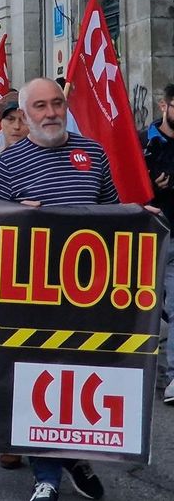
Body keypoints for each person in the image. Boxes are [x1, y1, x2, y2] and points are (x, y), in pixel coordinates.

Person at [0, 78, 114, 501]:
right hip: (31, 296)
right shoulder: (7, 164)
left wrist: (141, 216)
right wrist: (14, 217)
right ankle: (47, 475)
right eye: (40, 106)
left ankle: (75, 456)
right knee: (39, 382)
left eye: (57, 103)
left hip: (88, 294)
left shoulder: (93, 153)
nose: (51, 112)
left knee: (79, 381)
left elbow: (115, 215)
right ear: (23, 115)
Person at [141, 83, 174, 405]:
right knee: (149, 308)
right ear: (164, 106)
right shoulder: (142, 142)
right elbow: (125, 186)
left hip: (173, 238)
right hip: (147, 239)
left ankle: (171, 375)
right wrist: (150, 185)